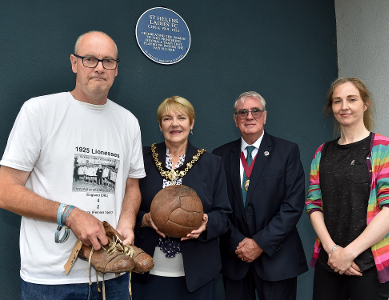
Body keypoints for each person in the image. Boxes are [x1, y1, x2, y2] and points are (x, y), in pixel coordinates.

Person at [0, 31, 146, 299]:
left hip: (112, 276)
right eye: (90, 59)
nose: (100, 67)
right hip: (50, 281)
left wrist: (127, 222)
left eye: (108, 61)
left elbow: (132, 185)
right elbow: (4, 189)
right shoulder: (39, 111)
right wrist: (69, 214)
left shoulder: (128, 122)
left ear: (116, 69)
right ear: (74, 63)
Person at [305, 77, 389, 300]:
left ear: (365, 104)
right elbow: (313, 204)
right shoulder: (322, 152)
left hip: (369, 263)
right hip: (330, 260)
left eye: (351, 99)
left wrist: (349, 253)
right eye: (337, 101)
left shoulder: (386, 148)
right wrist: (334, 252)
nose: (344, 106)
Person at [131, 96, 232, 300]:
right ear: (160, 125)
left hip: (197, 276)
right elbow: (125, 205)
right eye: (167, 118)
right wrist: (144, 219)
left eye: (181, 117)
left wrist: (206, 223)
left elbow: (224, 215)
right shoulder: (141, 159)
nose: (175, 124)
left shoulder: (212, 163)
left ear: (191, 123)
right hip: (146, 272)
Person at [213, 91, 308, 300]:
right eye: (242, 112)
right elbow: (218, 207)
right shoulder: (219, 156)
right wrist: (237, 242)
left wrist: (259, 244)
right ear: (235, 119)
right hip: (235, 259)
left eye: (255, 111)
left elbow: (292, 206)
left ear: (264, 116)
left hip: (277, 259)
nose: (249, 116)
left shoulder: (287, 151)